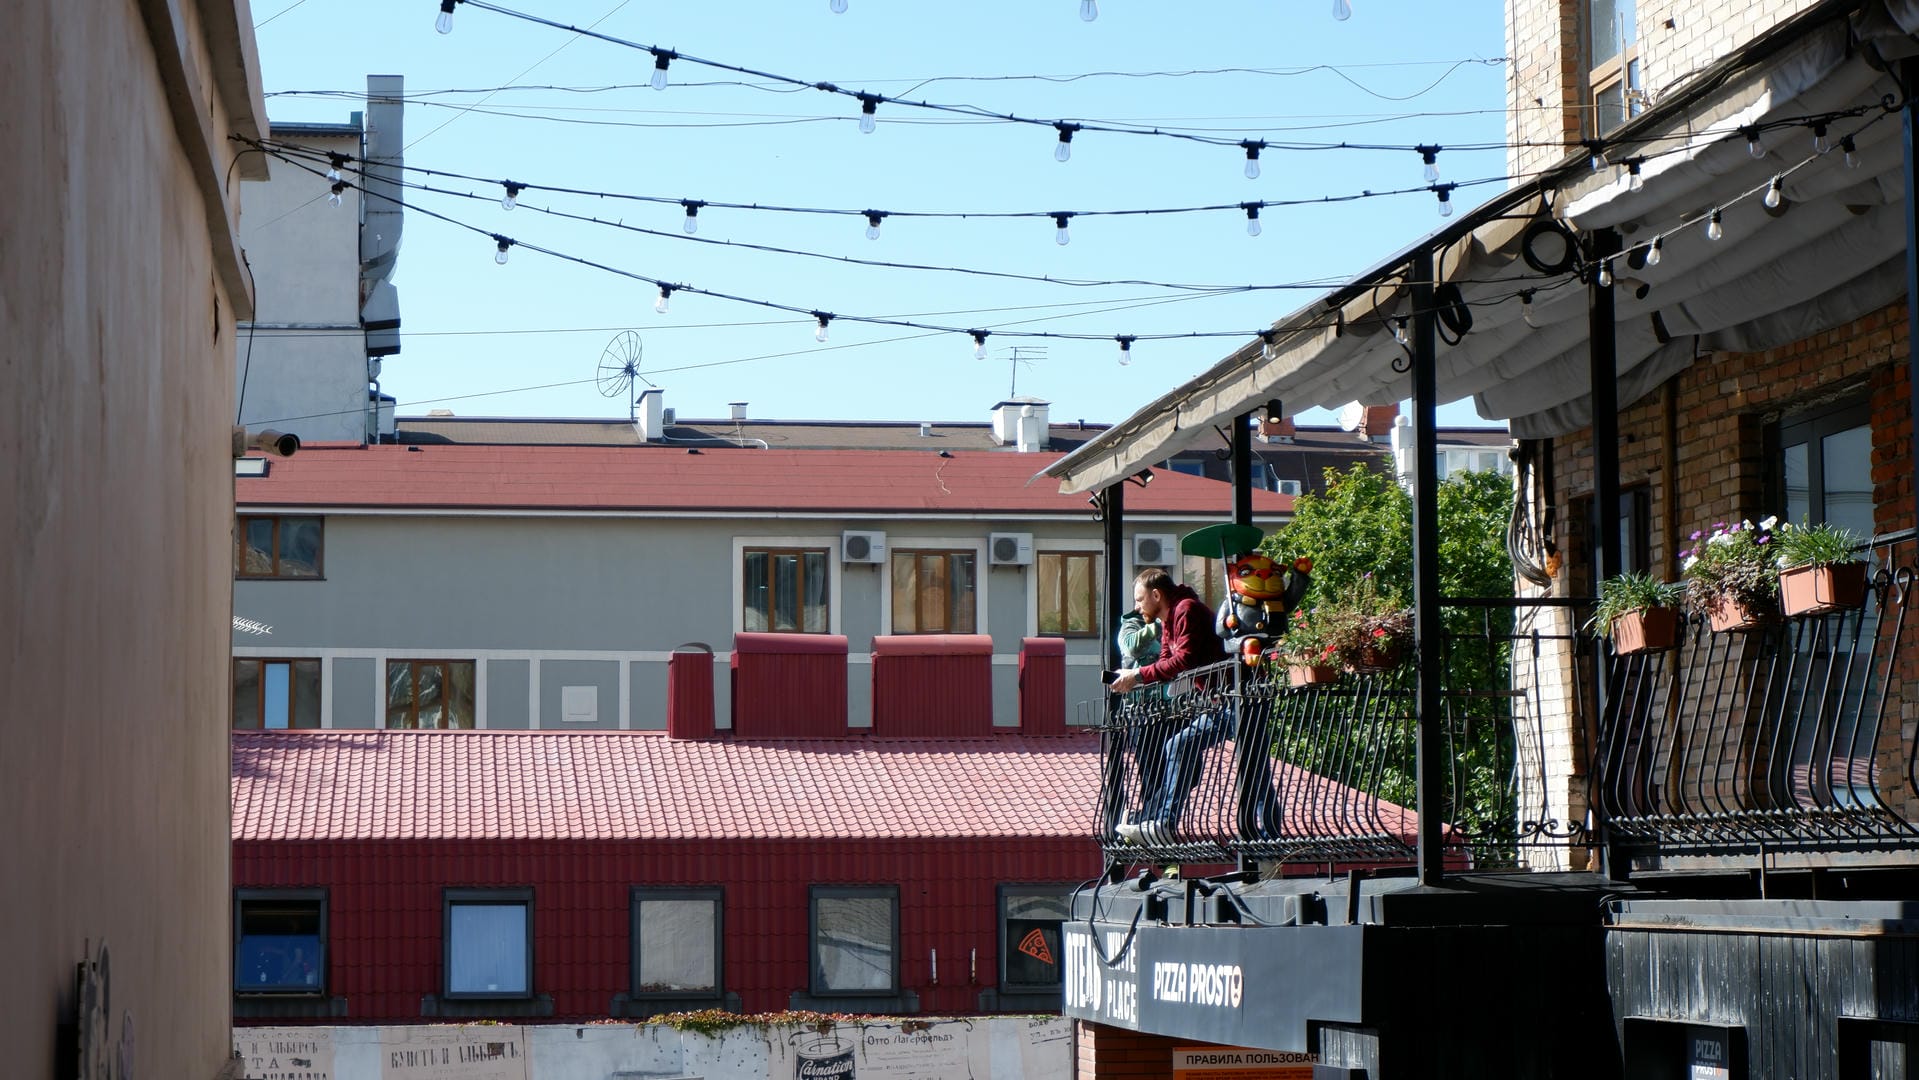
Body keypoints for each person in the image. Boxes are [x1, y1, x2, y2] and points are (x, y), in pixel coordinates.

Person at [1109, 569, 1228, 845]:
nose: (1137, 607)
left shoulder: (1185, 610)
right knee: (1181, 748)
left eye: (1140, 600)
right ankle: (1155, 820)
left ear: (1156, 595)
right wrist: (1133, 680)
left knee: (1252, 769)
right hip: (1217, 700)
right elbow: (1165, 662)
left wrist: (1137, 676)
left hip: (1235, 698)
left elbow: (1184, 659)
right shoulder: (1169, 620)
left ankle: (1159, 822)